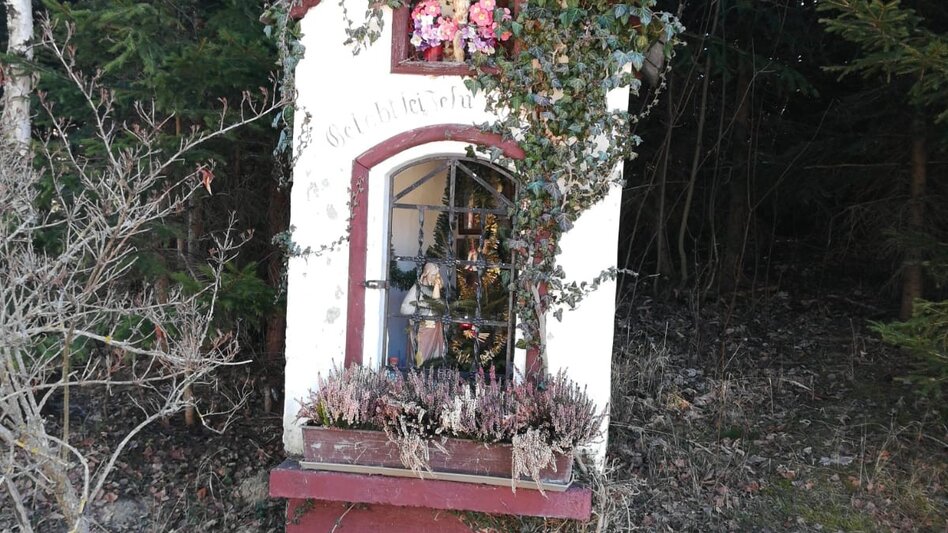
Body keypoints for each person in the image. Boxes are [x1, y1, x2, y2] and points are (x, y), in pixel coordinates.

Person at [400, 263, 446, 366]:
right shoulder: (417, 288)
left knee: (433, 361)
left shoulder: (434, 289)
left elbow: (440, 307)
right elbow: (404, 309)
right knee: (420, 360)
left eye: (436, 275)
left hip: (433, 330)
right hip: (421, 330)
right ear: (426, 274)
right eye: (433, 275)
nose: (435, 278)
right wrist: (422, 306)